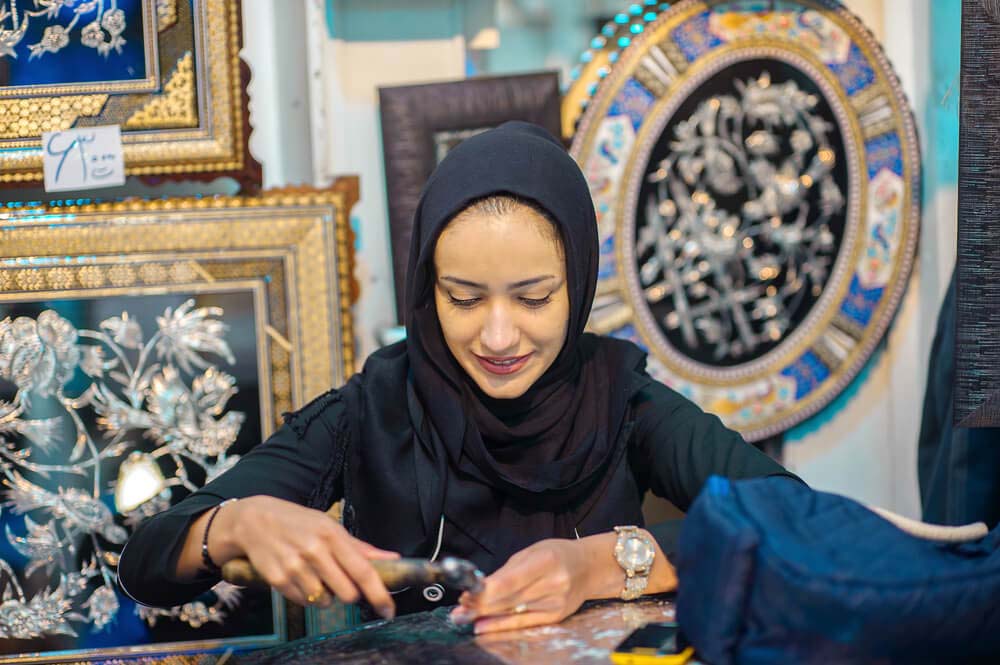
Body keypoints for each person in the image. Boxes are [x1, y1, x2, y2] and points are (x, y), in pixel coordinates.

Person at [118, 121, 798, 634]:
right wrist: (234, 524)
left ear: (579, 285)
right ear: (427, 290)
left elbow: (797, 524)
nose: (497, 337)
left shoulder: (623, 401)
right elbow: (145, 565)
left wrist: (600, 564)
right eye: (464, 299)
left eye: (534, 298)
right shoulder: (372, 410)